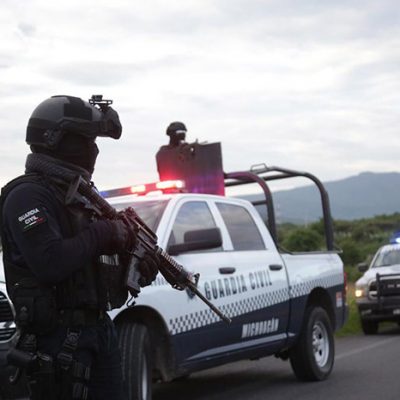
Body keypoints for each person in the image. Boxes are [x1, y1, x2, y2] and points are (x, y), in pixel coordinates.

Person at [0, 95, 159, 399]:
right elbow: (51, 262)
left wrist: (135, 266)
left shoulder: (80, 195)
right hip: (56, 341)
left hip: (98, 331)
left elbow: (91, 265)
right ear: (57, 139)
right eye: (87, 140)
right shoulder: (27, 196)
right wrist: (104, 233)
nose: (93, 150)